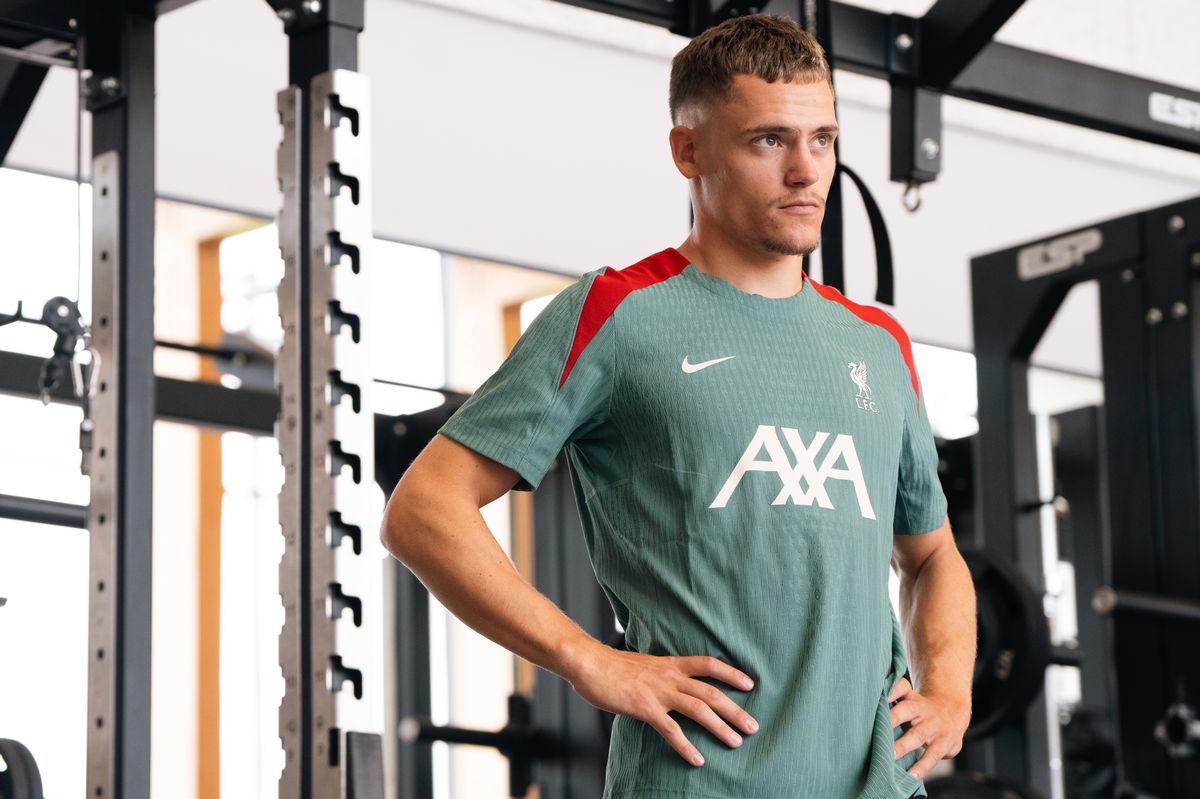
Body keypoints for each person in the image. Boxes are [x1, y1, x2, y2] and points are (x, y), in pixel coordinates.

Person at [380, 13, 976, 799]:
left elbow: (931, 555)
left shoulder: (879, 344)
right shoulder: (617, 312)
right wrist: (587, 658)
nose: (806, 170)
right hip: (698, 781)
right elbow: (423, 508)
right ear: (688, 151)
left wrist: (949, 691)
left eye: (823, 139)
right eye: (769, 140)